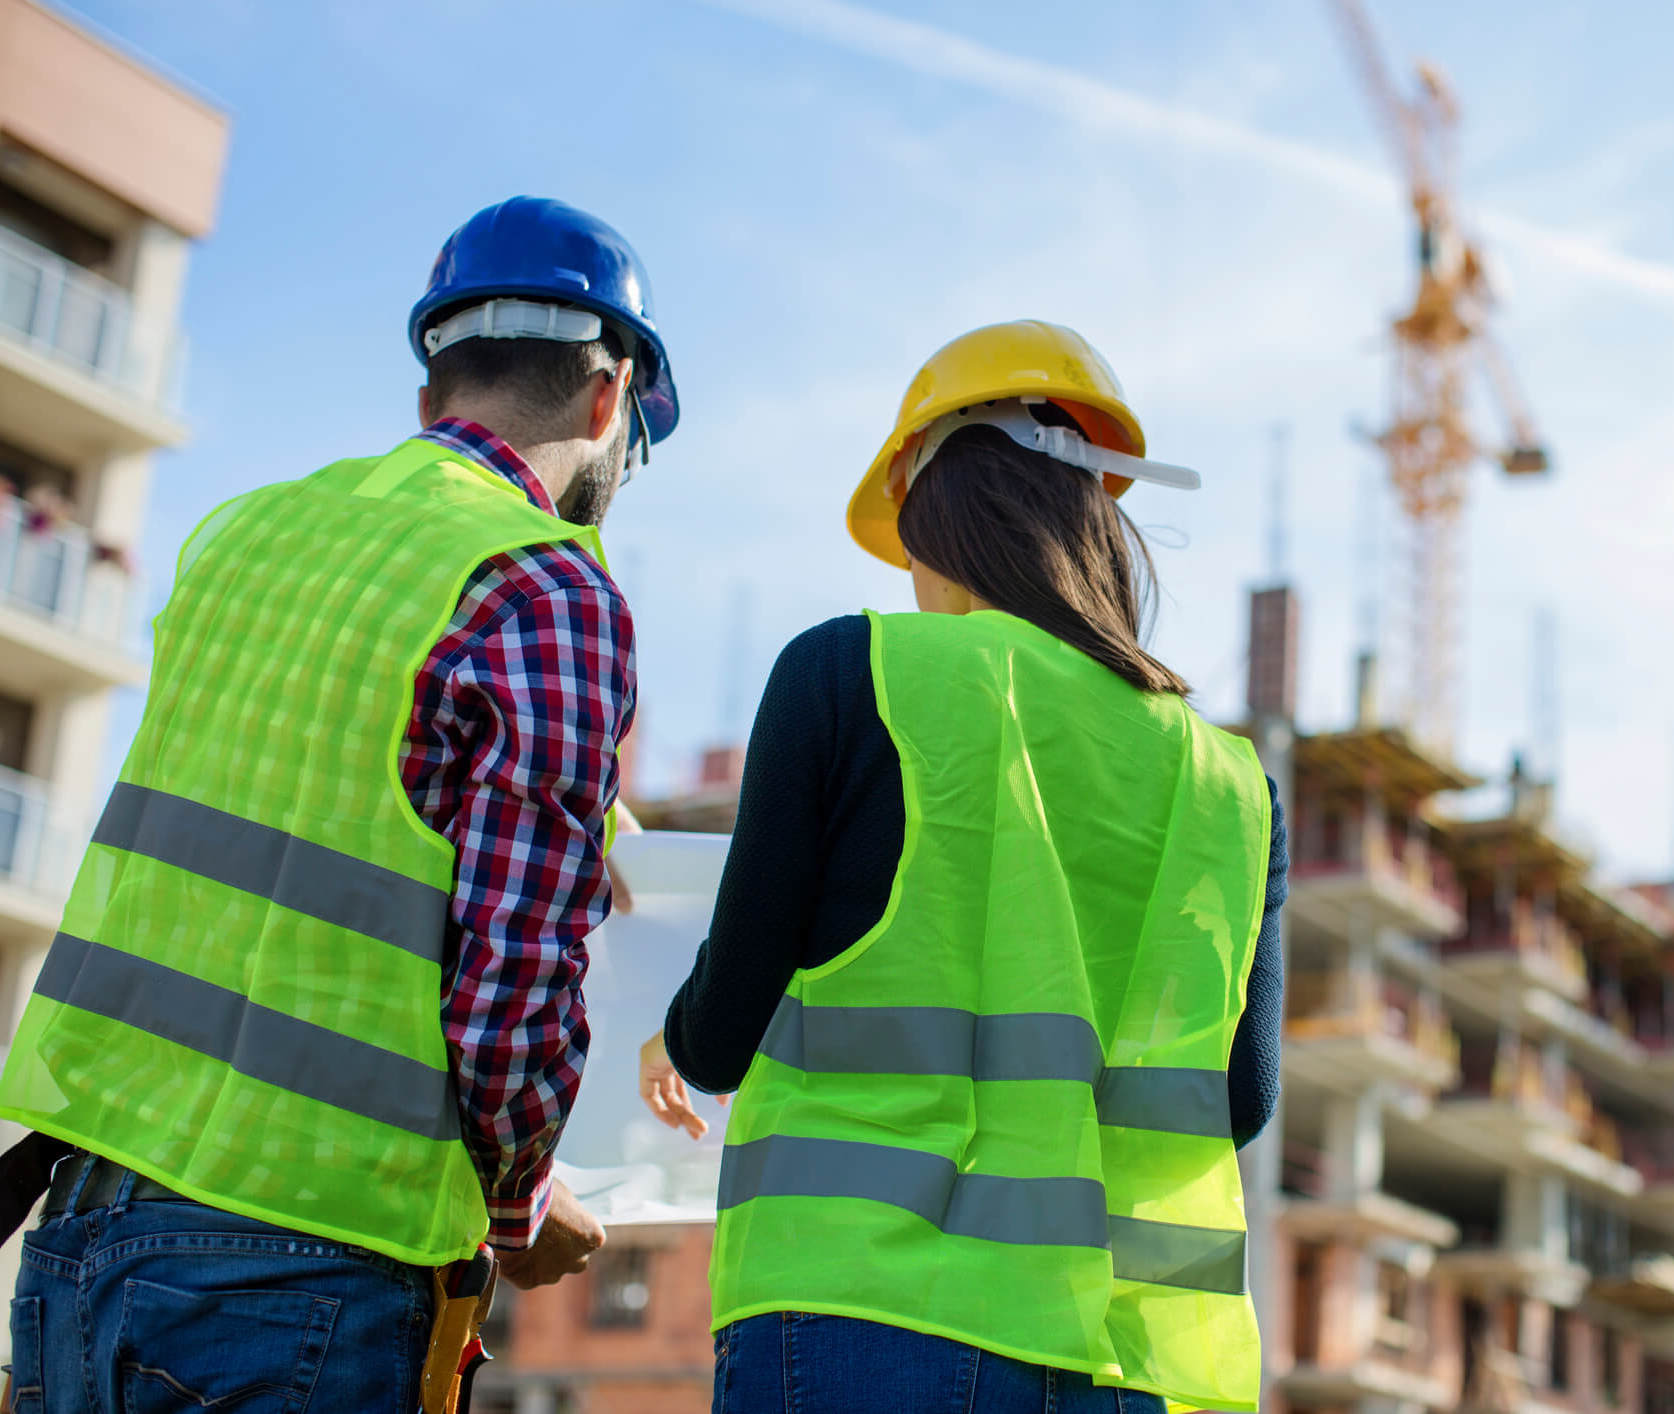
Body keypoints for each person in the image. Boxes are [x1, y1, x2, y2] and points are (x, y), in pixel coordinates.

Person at [0, 196, 679, 1412]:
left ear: (432, 394)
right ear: (609, 396)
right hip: (299, 1260)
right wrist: (522, 1201)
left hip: (76, 1228)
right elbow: (513, 982)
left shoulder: (243, 533)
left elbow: (301, 817)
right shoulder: (547, 584)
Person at [640, 320, 1287, 1413]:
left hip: (867, 1316)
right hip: (1127, 1355)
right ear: (1094, 517)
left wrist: (673, 1031)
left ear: (933, 511)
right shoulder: (1230, 782)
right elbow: (1241, 1096)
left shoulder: (854, 674)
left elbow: (725, 1025)